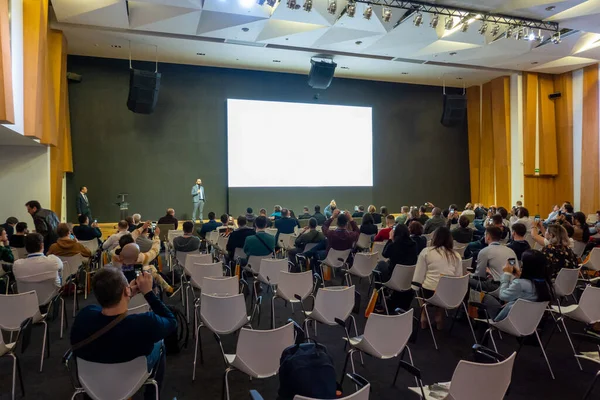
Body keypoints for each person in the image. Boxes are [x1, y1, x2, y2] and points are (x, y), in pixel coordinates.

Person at [70, 267, 177, 400]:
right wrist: (148, 293)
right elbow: (172, 321)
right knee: (160, 344)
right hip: (132, 379)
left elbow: (108, 310)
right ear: (126, 289)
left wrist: (127, 293)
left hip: (92, 382)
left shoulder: (84, 316)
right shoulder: (145, 323)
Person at [413, 226, 462, 329]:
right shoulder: (456, 255)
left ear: (434, 238)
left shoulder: (426, 252)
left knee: (421, 285)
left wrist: (415, 288)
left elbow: (418, 276)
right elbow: (458, 277)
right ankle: (439, 315)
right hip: (447, 294)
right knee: (443, 286)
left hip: (428, 292)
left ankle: (423, 315)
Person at [483, 250, 552, 321]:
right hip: (530, 321)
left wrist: (507, 274)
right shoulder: (545, 284)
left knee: (486, 296)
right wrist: (518, 275)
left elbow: (503, 296)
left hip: (508, 320)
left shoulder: (519, 284)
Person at [111, 226, 173, 295]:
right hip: (139, 290)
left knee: (151, 268)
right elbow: (155, 251)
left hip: (120, 286)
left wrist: (142, 227)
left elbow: (129, 239)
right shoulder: (138, 259)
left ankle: (168, 289)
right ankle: (168, 289)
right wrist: (156, 236)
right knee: (151, 270)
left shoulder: (114, 254)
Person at [470, 227, 517, 292]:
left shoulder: (485, 251)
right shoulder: (510, 251)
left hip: (497, 287)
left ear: (488, 236)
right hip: (512, 286)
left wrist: (470, 275)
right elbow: (513, 270)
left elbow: (480, 275)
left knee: (467, 280)